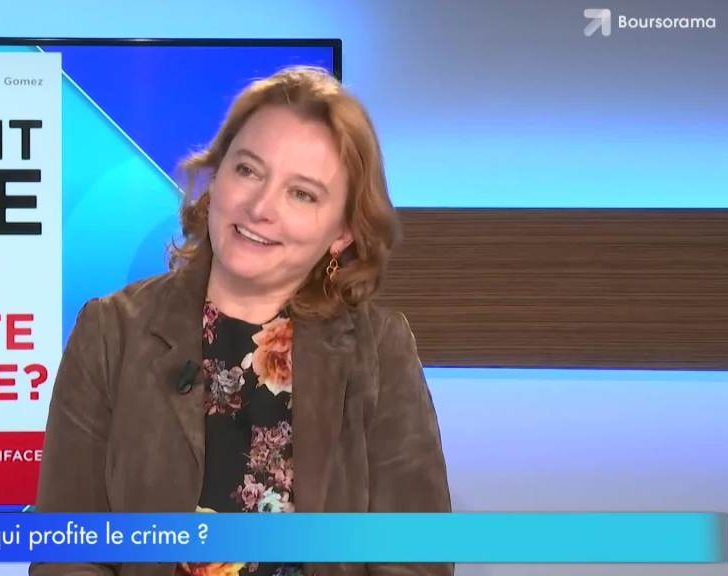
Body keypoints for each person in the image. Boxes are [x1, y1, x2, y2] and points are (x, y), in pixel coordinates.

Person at [30, 66, 451, 576]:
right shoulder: (110, 332)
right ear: (217, 175)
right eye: (248, 170)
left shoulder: (379, 350)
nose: (259, 207)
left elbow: (416, 561)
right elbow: (68, 550)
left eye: (302, 193)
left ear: (342, 232)